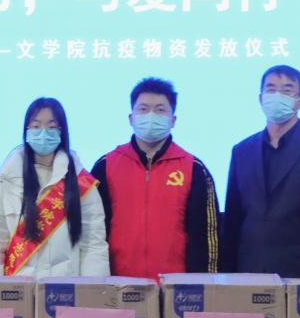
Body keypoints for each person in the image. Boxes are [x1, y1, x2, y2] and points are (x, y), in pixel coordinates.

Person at [223, 65, 300, 277]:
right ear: (260, 98)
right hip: (249, 271)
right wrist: (227, 275)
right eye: (271, 89)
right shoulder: (242, 150)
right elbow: (233, 219)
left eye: (287, 90)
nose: (277, 96)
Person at [91, 78, 220, 279]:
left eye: (160, 110)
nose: (151, 116)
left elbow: (207, 237)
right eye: (143, 109)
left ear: (173, 120)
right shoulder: (106, 166)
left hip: (176, 288)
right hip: (118, 284)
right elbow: (93, 233)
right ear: (131, 118)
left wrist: (202, 285)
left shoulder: (194, 169)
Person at [0, 97, 109, 277]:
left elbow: (93, 245)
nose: (43, 133)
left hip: (66, 287)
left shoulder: (81, 182)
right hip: (17, 288)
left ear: (62, 132)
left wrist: (92, 292)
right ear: (26, 131)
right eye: (36, 126)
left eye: (51, 126)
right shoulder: (4, 180)